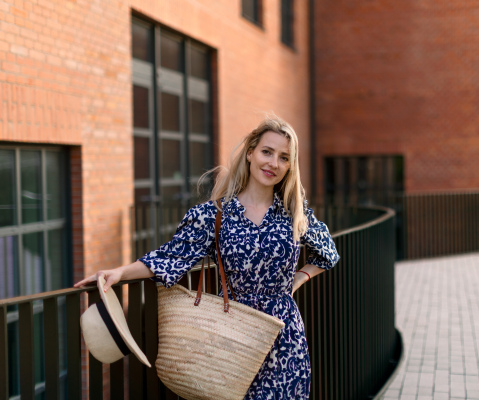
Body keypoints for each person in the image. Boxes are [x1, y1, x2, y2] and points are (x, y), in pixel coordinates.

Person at [75, 115, 340, 399]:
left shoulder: (294, 212)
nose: (273, 163)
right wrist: (119, 274)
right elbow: (171, 256)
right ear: (250, 152)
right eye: (267, 151)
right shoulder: (215, 215)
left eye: (284, 157)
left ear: (290, 166)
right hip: (232, 335)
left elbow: (327, 254)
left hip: (284, 337)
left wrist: (296, 281)